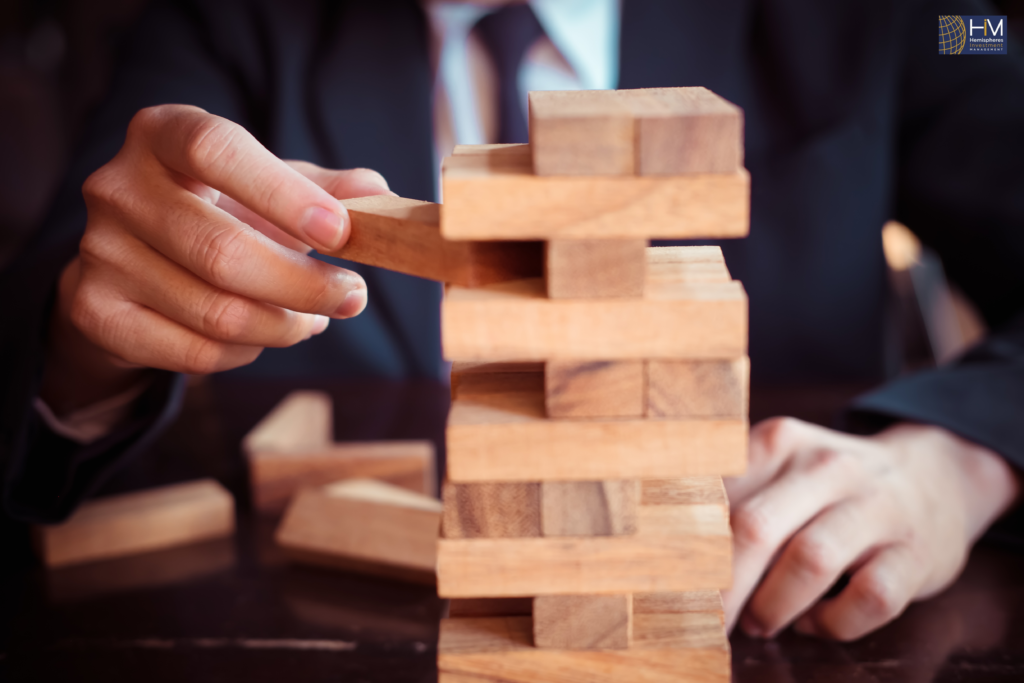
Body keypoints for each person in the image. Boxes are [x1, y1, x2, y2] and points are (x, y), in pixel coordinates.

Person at [1, 0, 1022, 643]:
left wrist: (963, 454)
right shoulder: (210, 22)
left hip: (757, 605)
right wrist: (85, 348)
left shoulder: (919, 16)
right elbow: (60, 296)